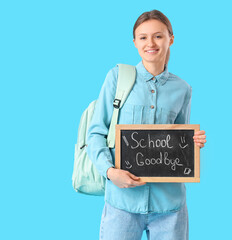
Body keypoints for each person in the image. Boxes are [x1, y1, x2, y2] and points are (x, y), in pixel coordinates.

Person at [86, 10, 207, 240]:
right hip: (122, 203)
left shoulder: (183, 89)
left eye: (158, 36)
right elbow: (95, 133)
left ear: (171, 38)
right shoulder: (117, 78)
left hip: (170, 207)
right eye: (143, 37)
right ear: (134, 43)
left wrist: (194, 144)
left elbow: (179, 141)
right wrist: (110, 173)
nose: (150, 43)